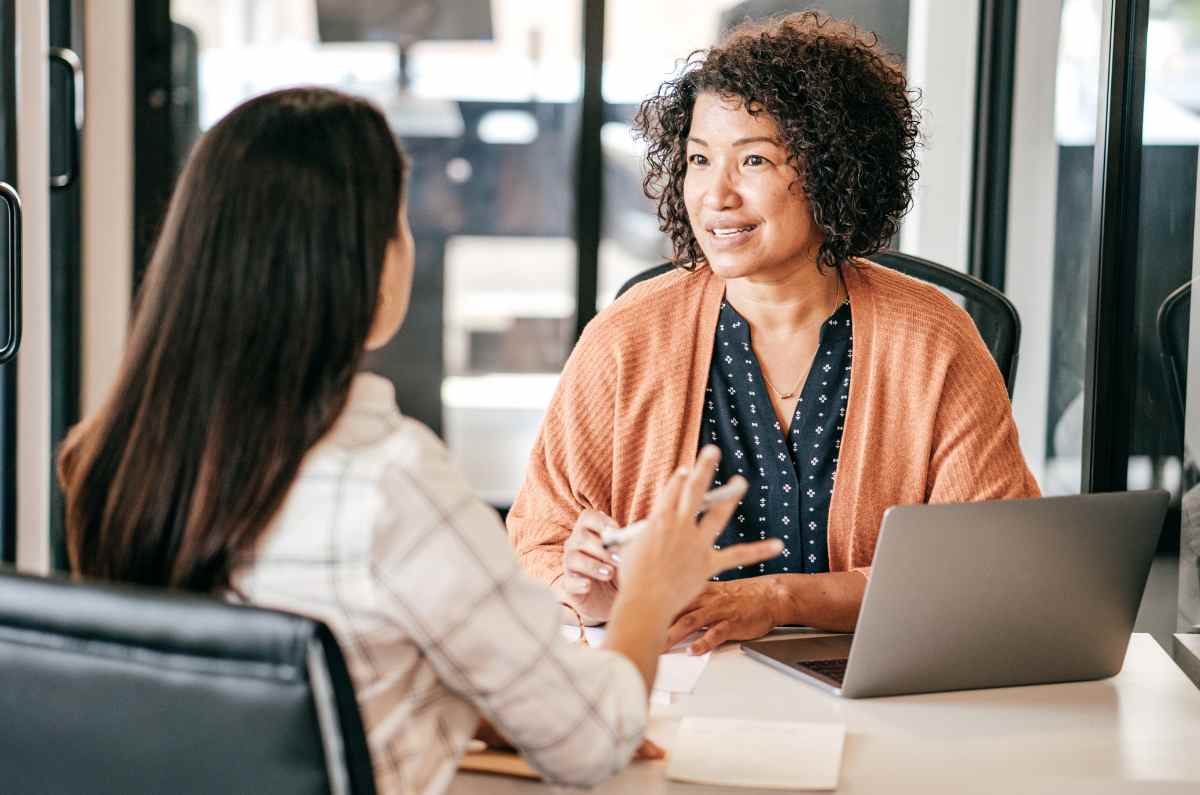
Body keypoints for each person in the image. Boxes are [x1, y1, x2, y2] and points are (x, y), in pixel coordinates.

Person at [57, 87, 781, 795]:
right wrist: (649, 594)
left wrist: (486, 702)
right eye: (398, 222)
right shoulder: (390, 481)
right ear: (362, 267)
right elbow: (593, 740)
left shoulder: (116, 458)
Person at [508, 12, 1039, 656]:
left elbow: (983, 565)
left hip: (871, 682)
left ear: (832, 169)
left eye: (753, 159)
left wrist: (780, 599)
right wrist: (585, 587)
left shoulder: (932, 337)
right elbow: (539, 542)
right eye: (700, 159)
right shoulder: (627, 335)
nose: (715, 195)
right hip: (669, 677)